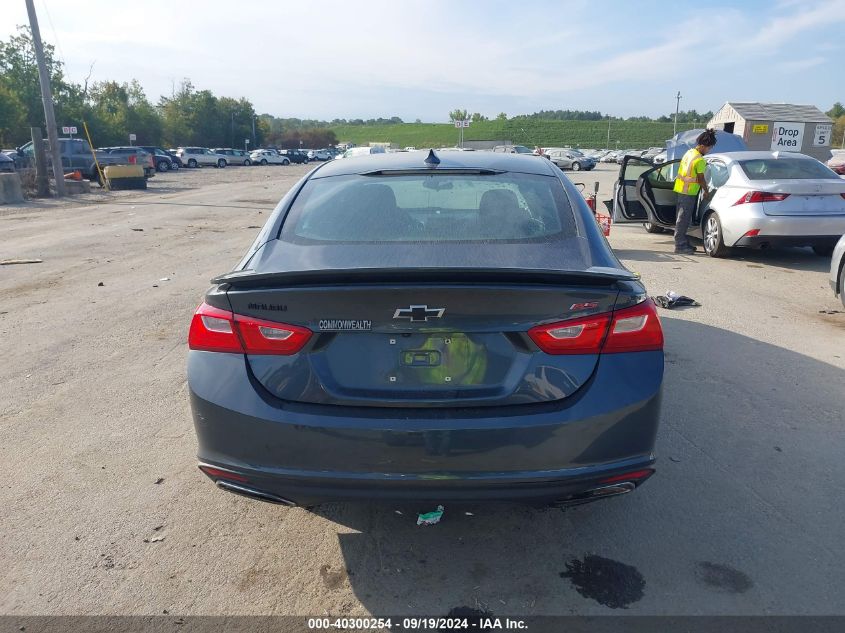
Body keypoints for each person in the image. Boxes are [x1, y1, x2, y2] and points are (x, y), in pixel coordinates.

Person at [672, 128, 717, 254]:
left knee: (681, 218)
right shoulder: (700, 160)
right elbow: (701, 178)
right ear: (703, 146)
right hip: (689, 192)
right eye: (709, 148)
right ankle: (680, 245)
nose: (709, 150)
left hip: (680, 189)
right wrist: (706, 191)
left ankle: (683, 241)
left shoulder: (689, 153)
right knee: (683, 219)